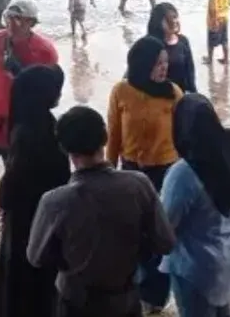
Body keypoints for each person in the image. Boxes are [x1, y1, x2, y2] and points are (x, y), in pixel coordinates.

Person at [27, 105, 175, 317]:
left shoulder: (55, 201)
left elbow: (36, 257)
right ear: (105, 137)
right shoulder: (138, 185)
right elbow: (165, 242)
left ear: (65, 148)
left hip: (76, 302)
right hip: (125, 300)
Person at [107, 36, 185, 311]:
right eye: (158, 63)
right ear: (142, 63)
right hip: (130, 171)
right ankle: (137, 286)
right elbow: (113, 135)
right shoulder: (121, 91)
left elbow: (184, 137)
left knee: (159, 235)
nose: (164, 68)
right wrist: (109, 172)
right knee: (132, 233)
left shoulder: (173, 93)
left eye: (165, 63)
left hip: (165, 173)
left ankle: (155, 296)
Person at [0, 65, 71, 317]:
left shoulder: (23, 126)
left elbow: (10, 186)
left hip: (21, 217)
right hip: (42, 215)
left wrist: (2, 201)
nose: (59, 94)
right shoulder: (48, 128)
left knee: (17, 277)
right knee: (40, 278)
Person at [0, 0, 58, 230]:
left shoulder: (45, 51)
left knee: (17, 168)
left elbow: (48, 86)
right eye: (8, 17)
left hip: (20, 121)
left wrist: (20, 72)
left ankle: (8, 210)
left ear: (31, 22)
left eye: (18, 19)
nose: (12, 23)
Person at [161, 94, 230, 317]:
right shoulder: (228, 153)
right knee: (223, 311)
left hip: (196, 264)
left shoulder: (183, 173)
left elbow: (166, 225)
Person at [147, 3, 198, 95]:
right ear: (158, 23)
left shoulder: (183, 41)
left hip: (180, 95)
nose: (174, 21)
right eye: (168, 19)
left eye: (175, 17)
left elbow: (190, 71)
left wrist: (193, 94)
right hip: (157, 96)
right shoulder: (149, 44)